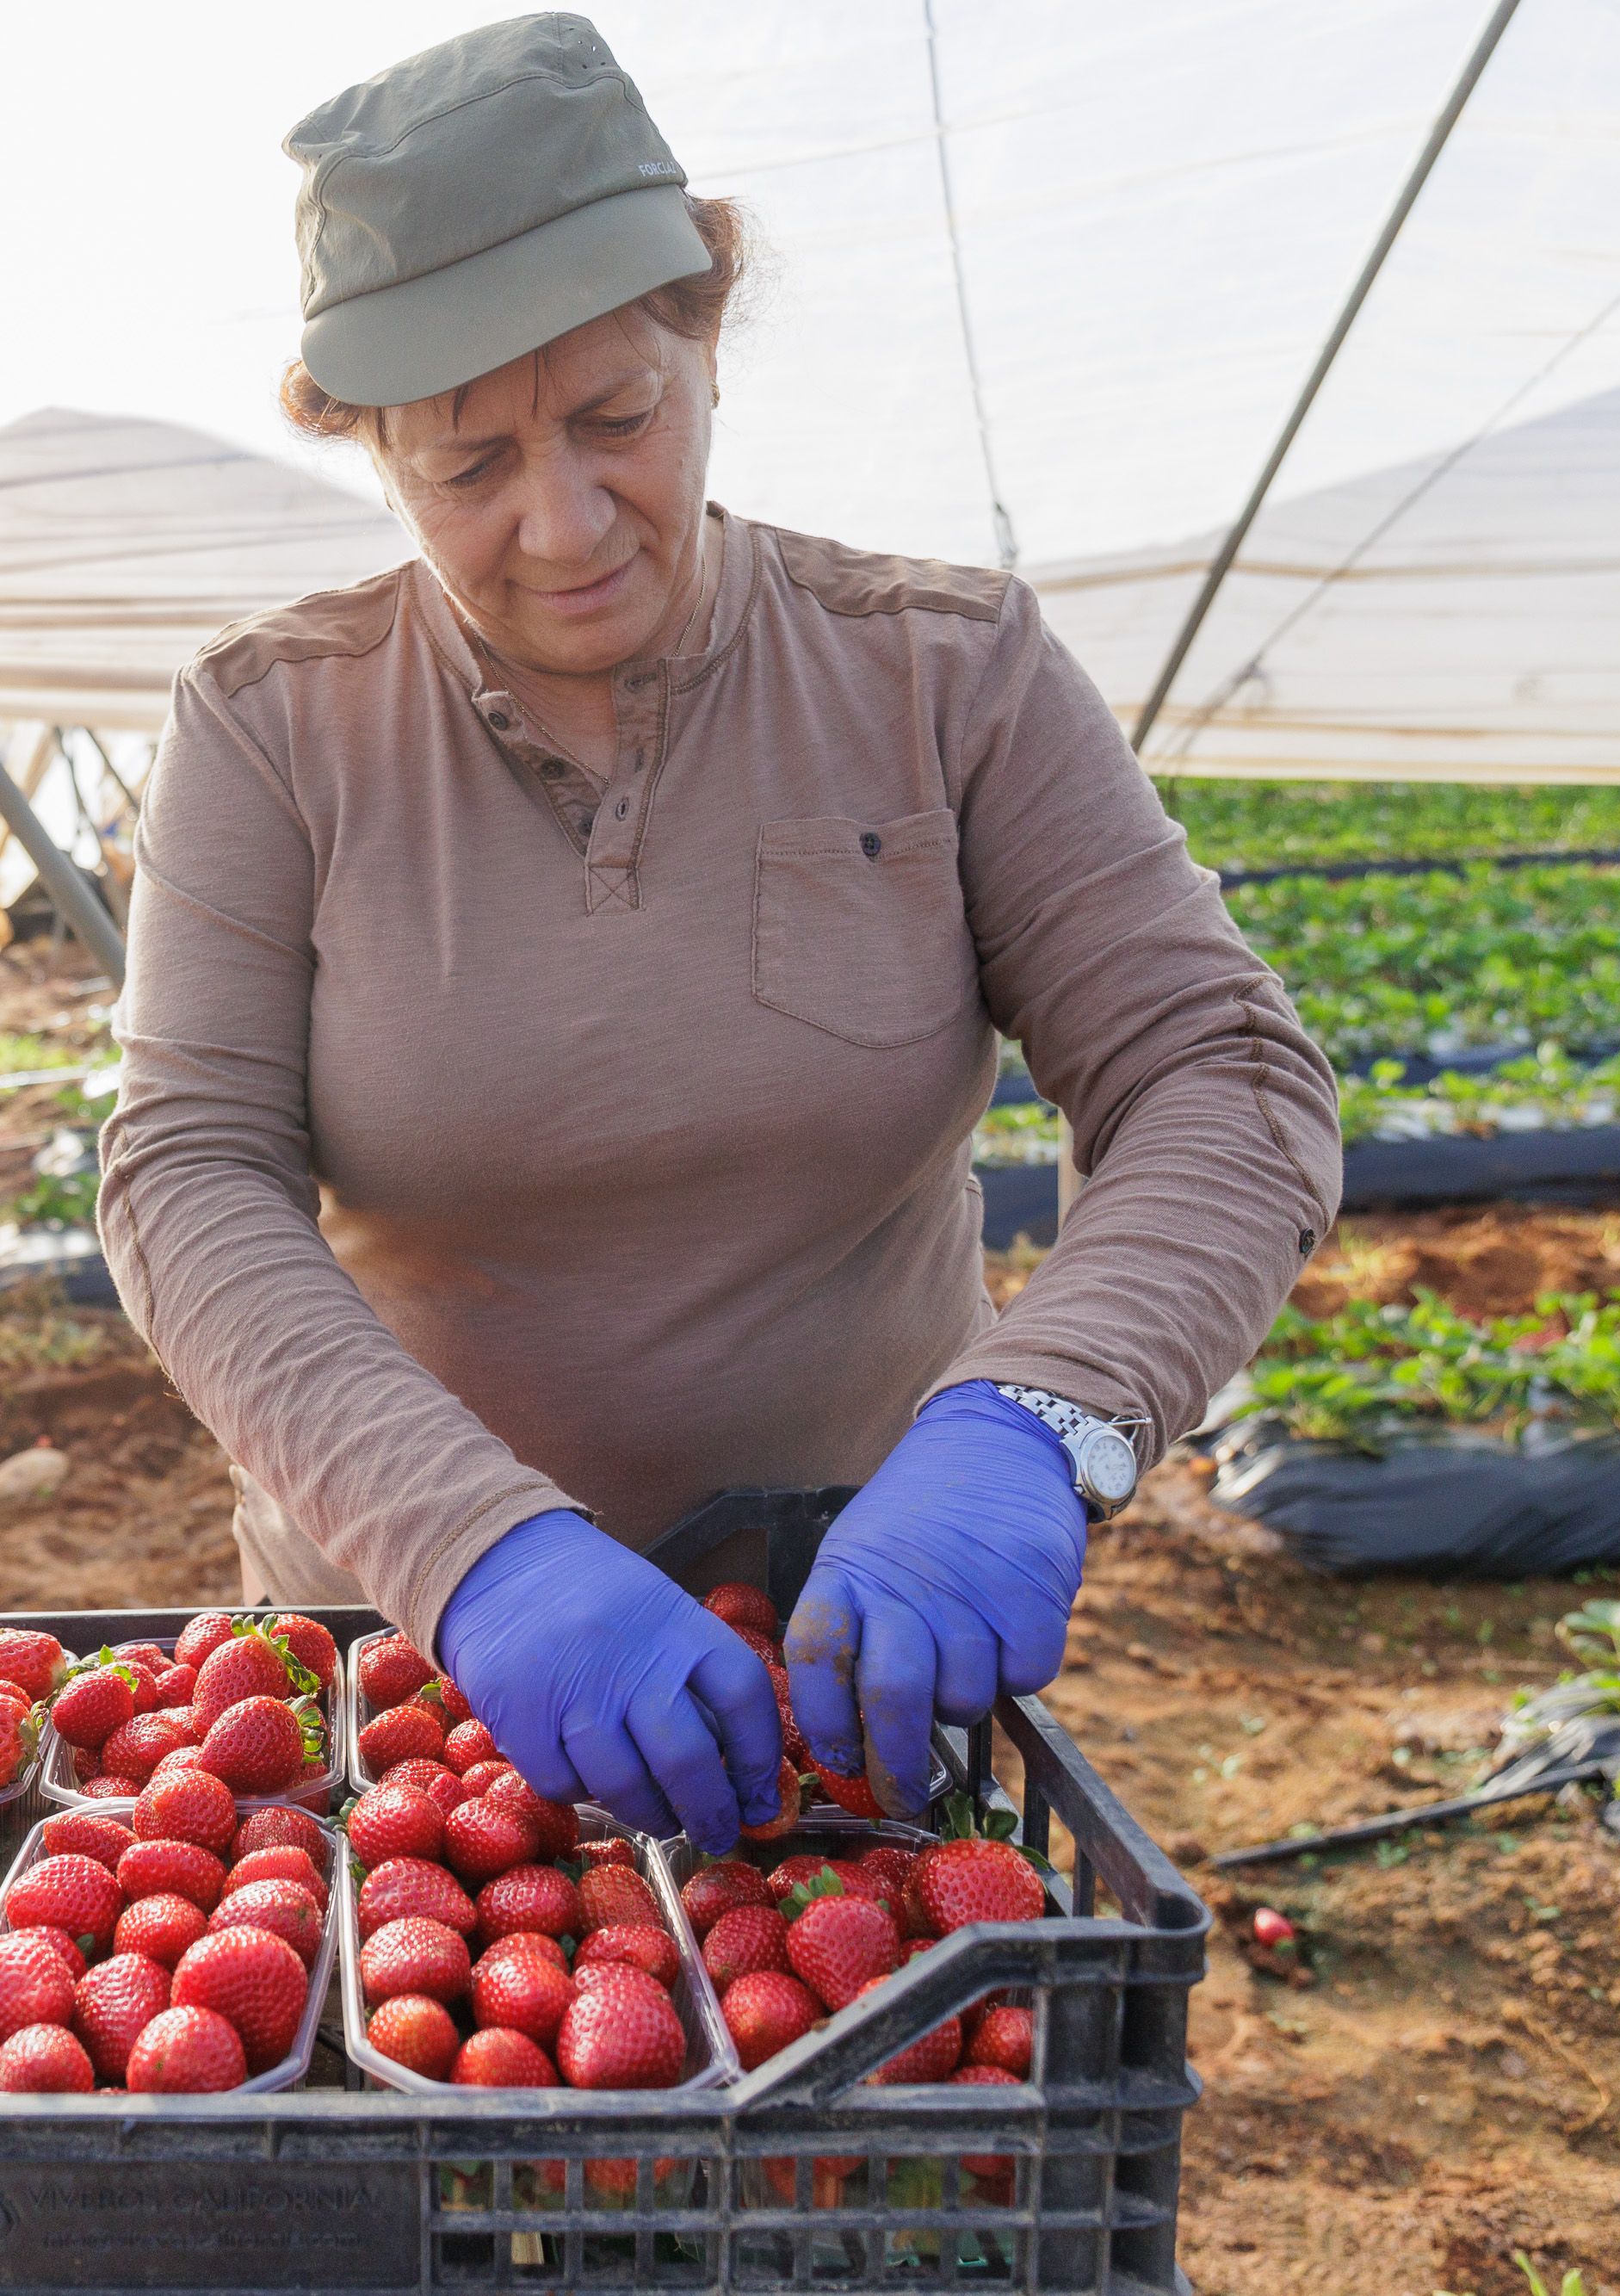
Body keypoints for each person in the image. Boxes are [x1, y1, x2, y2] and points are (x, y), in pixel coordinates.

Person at [96, 14, 1339, 1854]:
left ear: (701, 323)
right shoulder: (272, 726)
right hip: (419, 1673)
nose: (562, 520)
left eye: (617, 417)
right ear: (362, 448)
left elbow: (1217, 1075)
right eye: (466, 463)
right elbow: (184, 1169)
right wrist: (470, 1540)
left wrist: (1037, 1413)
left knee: (872, 2121)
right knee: (448, 2099)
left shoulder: (943, 674)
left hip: (859, 1651)